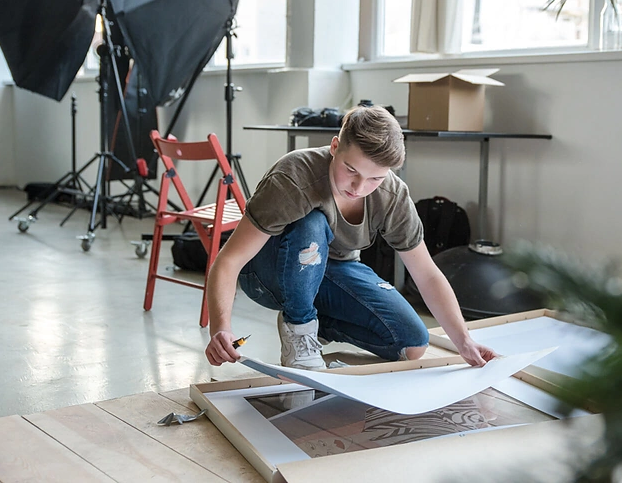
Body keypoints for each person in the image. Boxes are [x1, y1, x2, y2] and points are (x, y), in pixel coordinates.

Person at [204, 105, 496, 370]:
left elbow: (426, 273)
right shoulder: (293, 177)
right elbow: (229, 260)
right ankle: (299, 327)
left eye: (375, 178)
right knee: (312, 222)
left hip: (331, 271)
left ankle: (318, 326)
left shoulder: (392, 195)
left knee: (411, 344)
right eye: (351, 170)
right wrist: (221, 327)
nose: (359, 187)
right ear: (334, 147)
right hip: (266, 273)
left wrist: (464, 341)